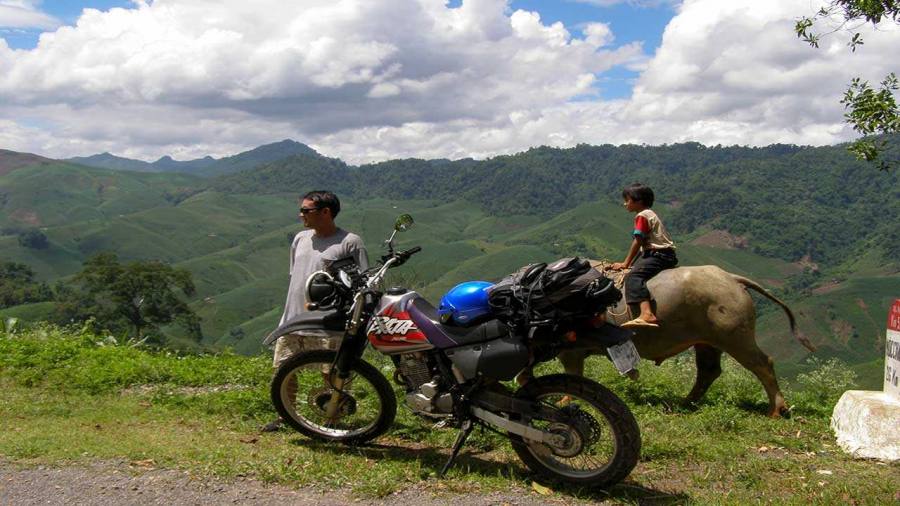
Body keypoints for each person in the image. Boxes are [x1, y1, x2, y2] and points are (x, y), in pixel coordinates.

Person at [262, 190, 368, 432]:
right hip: (293, 319)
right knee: (283, 370)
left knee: (331, 373)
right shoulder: (300, 239)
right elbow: (297, 277)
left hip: (328, 322)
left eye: (306, 211)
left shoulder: (349, 242)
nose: (301, 215)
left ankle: (333, 420)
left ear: (326, 212)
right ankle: (285, 416)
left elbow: (361, 283)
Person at [610, 183, 677, 328]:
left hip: (658, 255)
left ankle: (647, 313)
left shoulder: (642, 216)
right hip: (662, 254)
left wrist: (625, 263)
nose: (625, 203)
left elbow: (638, 240)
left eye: (627, 200)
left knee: (634, 277)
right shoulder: (650, 213)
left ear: (638, 201)